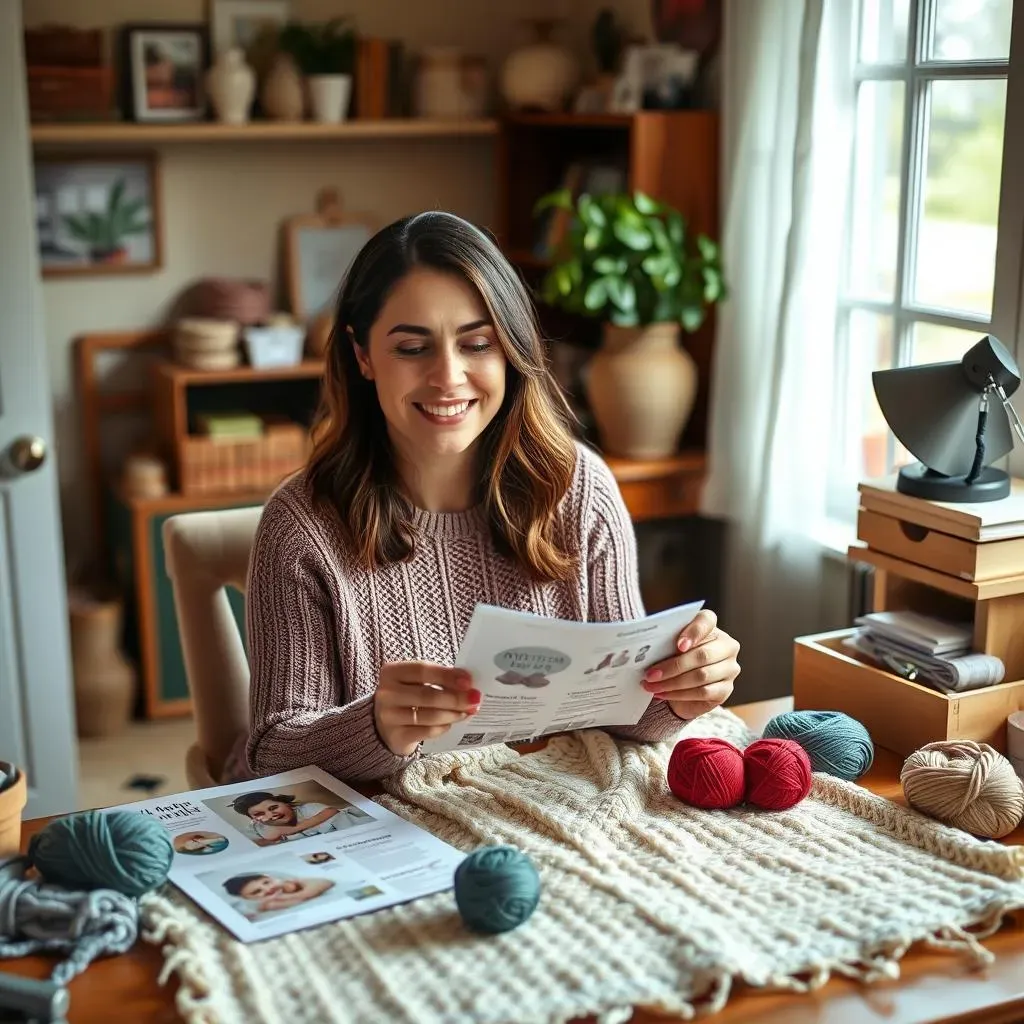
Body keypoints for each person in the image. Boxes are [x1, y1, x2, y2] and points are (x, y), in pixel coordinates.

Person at [245, 211, 742, 783]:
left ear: (509, 349)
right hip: (400, 840)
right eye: (412, 349)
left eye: (477, 344)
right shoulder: (301, 525)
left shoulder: (578, 490)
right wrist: (377, 728)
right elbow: (272, 754)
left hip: (547, 815)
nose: (448, 377)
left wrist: (682, 689)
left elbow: (625, 714)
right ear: (362, 356)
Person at [229, 790, 371, 846]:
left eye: (273, 808)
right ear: (253, 819)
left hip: (343, 836)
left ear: (286, 803)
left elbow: (330, 811)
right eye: (259, 814)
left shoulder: (305, 809)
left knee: (341, 818)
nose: (271, 815)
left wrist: (295, 828)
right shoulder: (259, 827)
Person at [222, 873, 334, 918]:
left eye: (266, 882)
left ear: (271, 878)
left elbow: (326, 882)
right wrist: (281, 897)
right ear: (248, 899)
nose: (267, 889)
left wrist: (296, 889)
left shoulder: (290, 883)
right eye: (257, 892)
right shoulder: (267, 904)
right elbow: (303, 899)